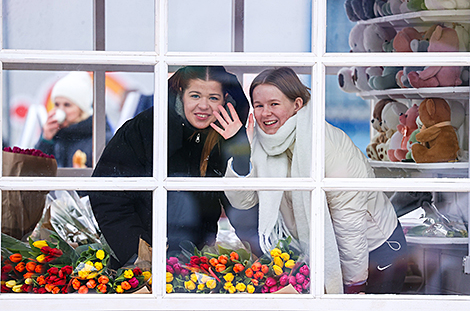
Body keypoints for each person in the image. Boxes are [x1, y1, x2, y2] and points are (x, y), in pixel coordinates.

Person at [224, 67, 408, 294]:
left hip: (375, 249)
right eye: (259, 105)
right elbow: (243, 202)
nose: (265, 113)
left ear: (297, 104)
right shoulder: (260, 140)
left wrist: (353, 287)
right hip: (319, 253)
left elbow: (349, 224)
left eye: (274, 104)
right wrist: (241, 150)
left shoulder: (326, 144)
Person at [88, 66, 256, 269]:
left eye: (213, 98)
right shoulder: (146, 128)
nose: (203, 106)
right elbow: (108, 195)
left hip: (196, 266)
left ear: (225, 100)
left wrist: (265, 258)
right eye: (195, 95)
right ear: (181, 95)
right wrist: (138, 255)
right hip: (140, 266)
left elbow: (240, 205)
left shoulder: (227, 137)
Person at [34, 71, 113, 168]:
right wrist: (45, 140)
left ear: (81, 109)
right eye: (57, 104)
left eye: (67, 105)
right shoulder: (56, 136)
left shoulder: (101, 137)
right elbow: (35, 170)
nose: (60, 110)